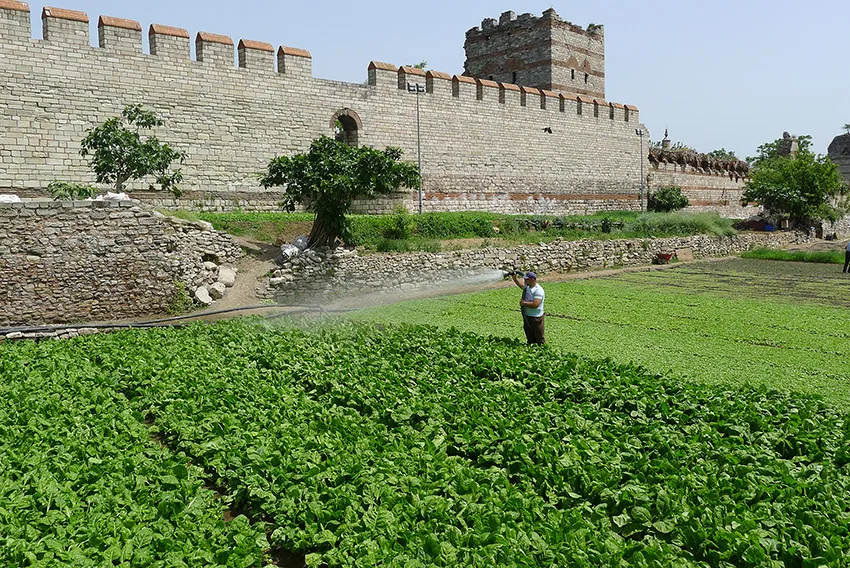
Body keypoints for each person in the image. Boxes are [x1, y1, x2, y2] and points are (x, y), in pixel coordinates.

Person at [511, 271, 545, 345]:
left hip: (536, 318)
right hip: (528, 316)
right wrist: (515, 279)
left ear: (533, 279)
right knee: (530, 337)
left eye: (527, 279)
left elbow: (536, 304)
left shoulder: (538, 290)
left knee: (539, 338)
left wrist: (524, 303)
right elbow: (521, 286)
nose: (525, 281)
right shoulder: (528, 287)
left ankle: (542, 352)